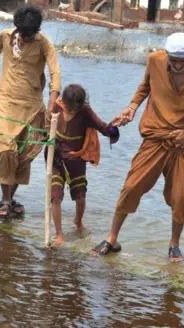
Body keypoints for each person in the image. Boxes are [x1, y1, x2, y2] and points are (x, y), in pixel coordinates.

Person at [91, 33, 184, 262]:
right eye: (174, 59)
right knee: (131, 187)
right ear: (167, 54)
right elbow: (145, 86)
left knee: (180, 196)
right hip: (155, 135)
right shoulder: (155, 61)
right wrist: (132, 107)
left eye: (183, 60)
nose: (178, 65)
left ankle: (174, 245)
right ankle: (112, 238)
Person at [0, 5, 61, 219]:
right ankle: (5, 200)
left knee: (24, 156)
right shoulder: (6, 36)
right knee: (5, 150)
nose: (26, 38)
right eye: (23, 33)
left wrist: (52, 103)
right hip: (6, 103)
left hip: (32, 106)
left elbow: (55, 73)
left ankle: (9, 199)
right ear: (17, 28)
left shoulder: (44, 44)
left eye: (30, 34)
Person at [47, 84, 121, 246]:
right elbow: (46, 128)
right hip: (57, 159)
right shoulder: (57, 107)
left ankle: (78, 221)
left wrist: (113, 128)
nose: (72, 112)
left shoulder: (85, 112)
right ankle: (59, 233)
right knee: (56, 197)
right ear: (64, 103)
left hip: (76, 161)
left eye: (76, 110)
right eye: (69, 109)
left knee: (80, 198)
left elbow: (103, 127)